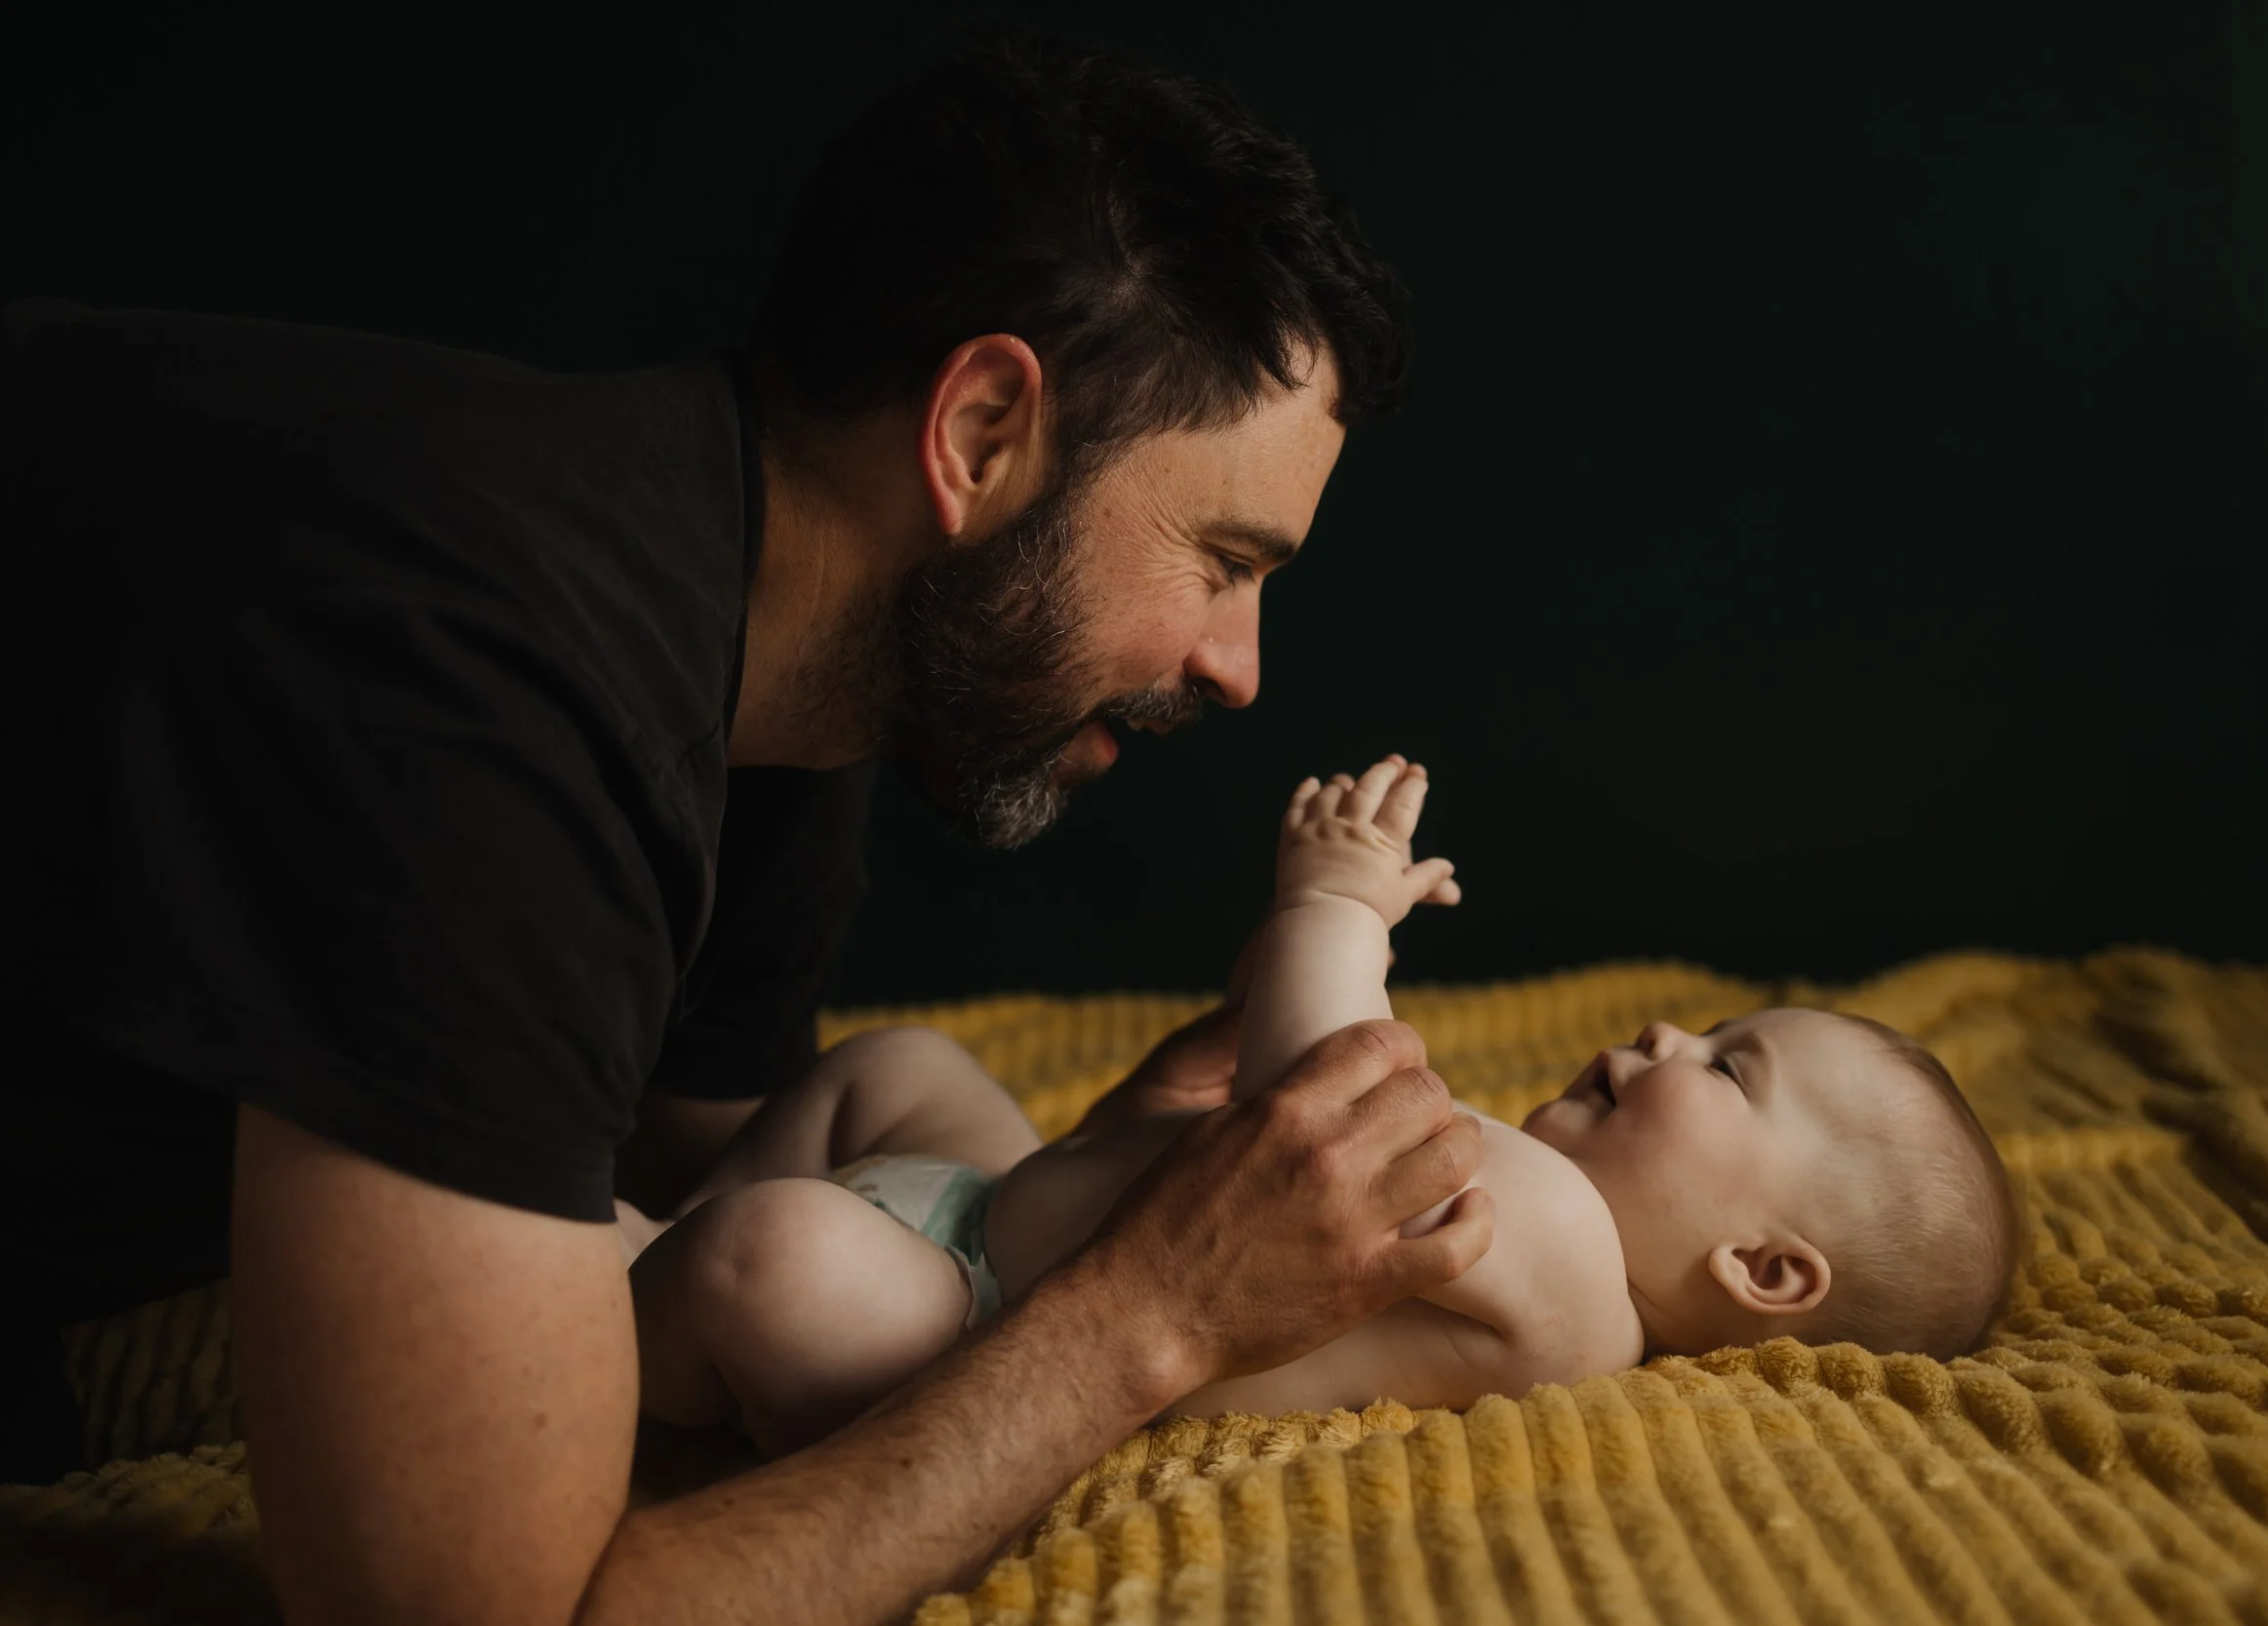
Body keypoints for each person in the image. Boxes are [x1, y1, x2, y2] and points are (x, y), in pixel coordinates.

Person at [0, 36, 1497, 1626]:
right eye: (1223, 561)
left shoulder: (776, 697)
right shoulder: (487, 697)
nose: (1239, 667)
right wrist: (1153, 1313)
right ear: (982, 430)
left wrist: (1098, 1172)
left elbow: (707, 1201)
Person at [619, 757, 2020, 1451]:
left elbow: (1327, 1122)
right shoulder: (1538, 1213)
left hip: (969, 1330)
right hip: (996, 1204)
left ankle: (620, 1288)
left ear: (1764, 1270)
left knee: (781, 1263)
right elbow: (1267, 1099)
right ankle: (669, 1217)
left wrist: (1336, 913)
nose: (1667, 1032)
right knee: (902, 1065)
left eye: (1724, 1067)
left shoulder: (1574, 1285)